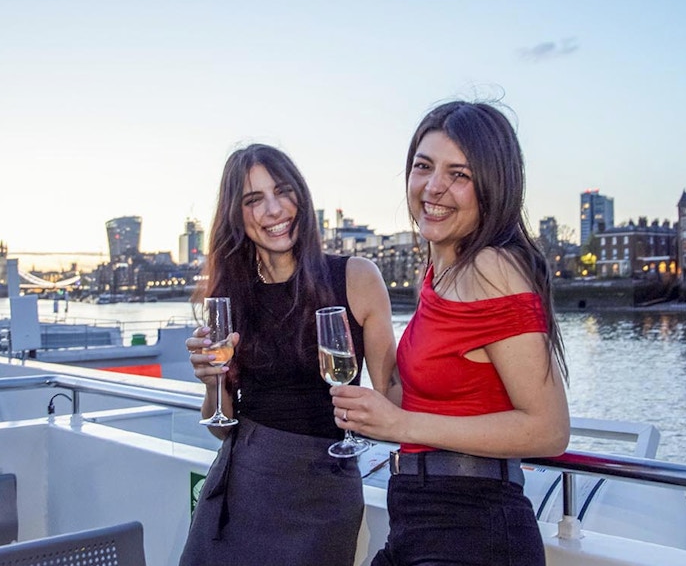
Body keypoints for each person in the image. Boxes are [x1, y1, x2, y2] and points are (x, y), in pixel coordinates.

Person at [331, 100, 571, 566]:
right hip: (419, 520)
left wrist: (401, 425)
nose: (433, 187)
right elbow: (403, 399)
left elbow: (549, 430)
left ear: (491, 186)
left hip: (472, 526)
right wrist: (370, 320)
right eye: (424, 167)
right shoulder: (441, 271)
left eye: (458, 174)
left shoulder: (491, 267)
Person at [179, 143, 397, 566]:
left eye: (283, 192)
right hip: (242, 483)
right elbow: (222, 427)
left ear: (302, 196)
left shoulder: (356, 277)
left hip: (324, 488)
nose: (274, 210)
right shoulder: (231, 297)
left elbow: (392, 392)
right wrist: (211, 382)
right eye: (254, 200)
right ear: (237, 216)